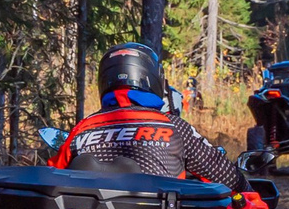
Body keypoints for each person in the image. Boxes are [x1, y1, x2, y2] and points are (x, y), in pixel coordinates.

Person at [49, 42, 241, 185]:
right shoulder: (175, 126)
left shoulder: (83, 128)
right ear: (152, 78)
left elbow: (53, 176)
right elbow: (224, 174)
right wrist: (248, 189)